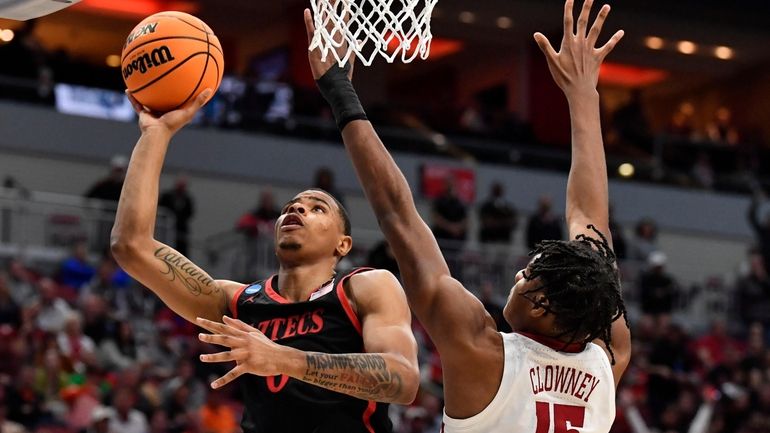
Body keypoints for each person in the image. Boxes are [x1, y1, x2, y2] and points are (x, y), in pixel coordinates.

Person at [312, 0, 630, 432]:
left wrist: (340, 91)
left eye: (527, 276)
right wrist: (583, 95)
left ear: (541, 305)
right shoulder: (607, 358)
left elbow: (399, 216)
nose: (518, 276)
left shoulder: (484, 352)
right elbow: (590, 222)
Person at [111, 80, 419, 433]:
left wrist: (281, 359)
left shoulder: (365, 286)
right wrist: (156, 135)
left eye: (317, 208)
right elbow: (130, 245)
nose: (298, 209)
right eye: (292, 206)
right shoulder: (238, 302)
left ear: (343, 244)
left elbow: (403, 379)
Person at [159, 175, 195, 256]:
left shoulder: (187, 199)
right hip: (166, 229)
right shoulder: (167, 196)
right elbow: (161, 210)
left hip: (180, 231)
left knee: (181, 253)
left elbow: (190, 213)